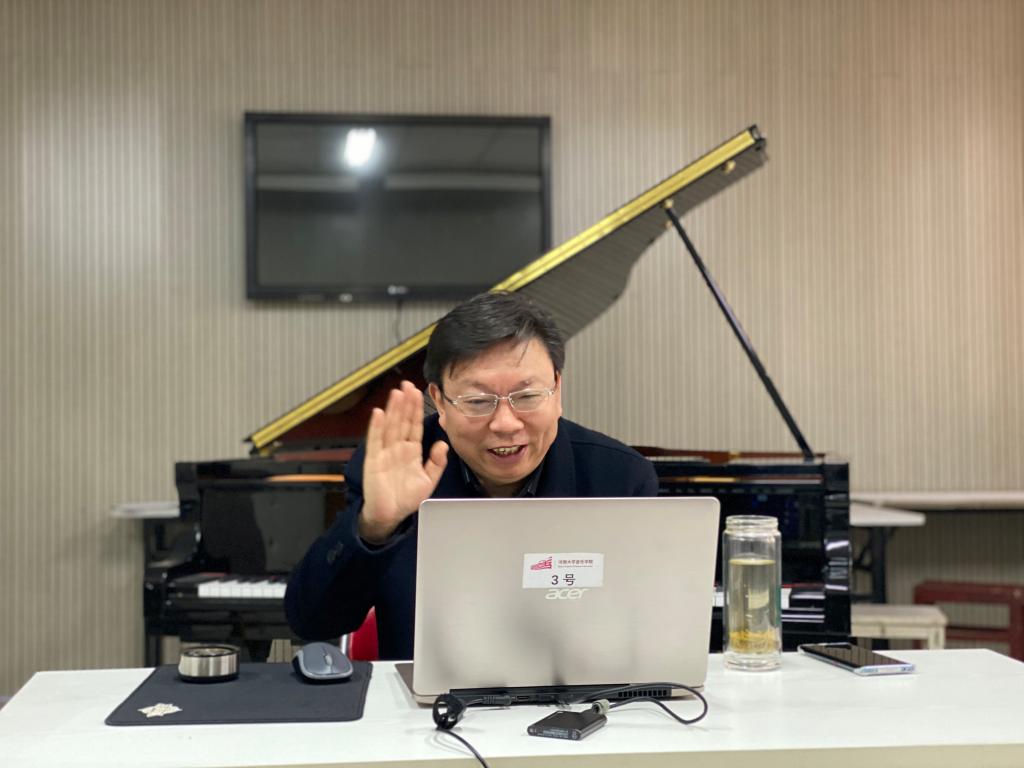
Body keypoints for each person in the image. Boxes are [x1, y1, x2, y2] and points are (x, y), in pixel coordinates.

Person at [284, 291, 659, 659]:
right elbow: (313, 623)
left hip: (577, 692)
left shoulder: (619, 478)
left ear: (557, 390)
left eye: (526, 397)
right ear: (440, 401)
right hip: (427, 697)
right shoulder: (398, 467)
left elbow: (647, 632)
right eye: (478, 402)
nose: (505, 424)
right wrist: (374, 526)